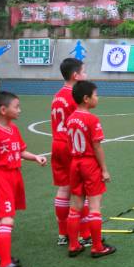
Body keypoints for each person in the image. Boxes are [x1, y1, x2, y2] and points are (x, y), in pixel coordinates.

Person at [0, 91, 48, 267]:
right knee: (7, 218)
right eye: (16, 106)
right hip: (0, 177)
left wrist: (35, 157)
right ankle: (5, 265)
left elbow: (20, 151)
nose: (20, 110)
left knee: (4, 218)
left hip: (14, 176)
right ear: (3, 110)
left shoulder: (14, 129)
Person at [65, 81, 115, 259]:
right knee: (94, 206)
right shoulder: (92, 119)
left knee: (75, 207)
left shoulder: (70, 118)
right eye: (95, 95)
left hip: (75, 163)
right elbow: (97, 147)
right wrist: (104, 169)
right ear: (86, 99)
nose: (97, 97)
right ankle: (97, 247)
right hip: (89, 164)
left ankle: (73, 245)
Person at [51, 58, 89, 247]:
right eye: (84, 71)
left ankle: (62, 233)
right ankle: (84, 233)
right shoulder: (74, 96)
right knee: (81, 189)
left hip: (56, 143)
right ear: (76, 75)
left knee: (63, 187)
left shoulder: (57, 95)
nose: (86, 74)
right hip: (69, 145)